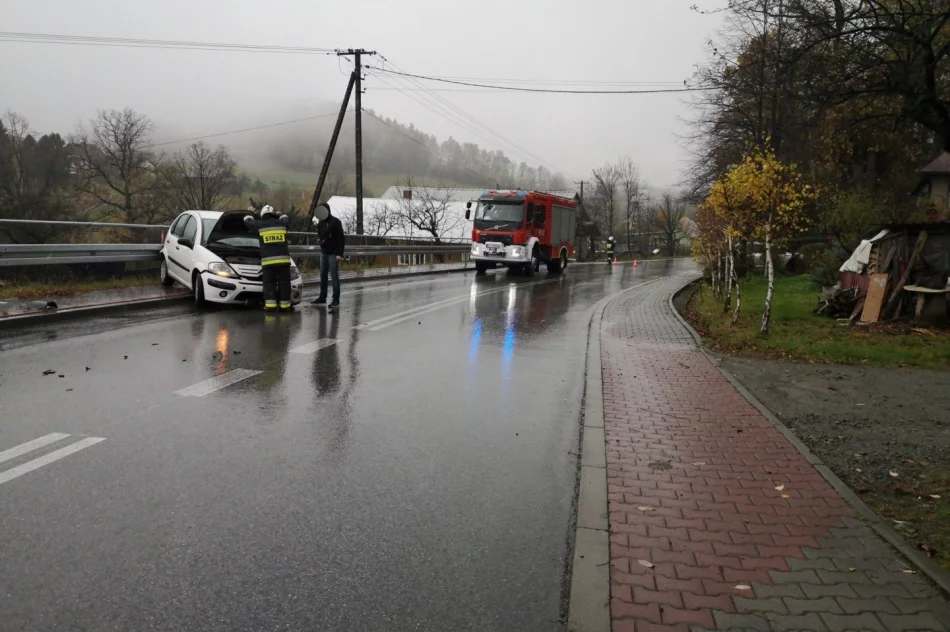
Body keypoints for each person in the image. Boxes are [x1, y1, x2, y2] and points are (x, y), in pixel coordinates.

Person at [244, 204, 293, 312]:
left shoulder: (260, 225)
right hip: (283, 262)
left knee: (269, 284)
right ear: (273, 214)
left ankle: (270, 307)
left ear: (262, 215)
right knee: (284, 283)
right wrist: (280, 214)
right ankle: (285, 307)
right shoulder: (282, 223)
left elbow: (248, 221)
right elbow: (286, 219)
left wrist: (250, 212)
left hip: (268, 263)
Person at [311, 202, 345, 311]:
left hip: (333, 253)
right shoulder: (320, 223)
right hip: (324, 252)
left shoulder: (335, 222)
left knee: (334, 276)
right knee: (323, 275)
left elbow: (341, 238)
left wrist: (340, 254)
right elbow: (321, 235)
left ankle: (336, 299)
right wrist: (319, 240)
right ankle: (322, 297)